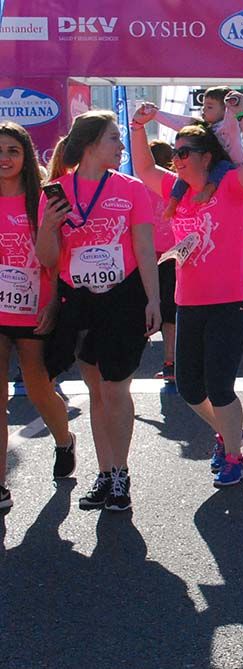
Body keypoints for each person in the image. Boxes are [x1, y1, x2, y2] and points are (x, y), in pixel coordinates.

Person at [130, 92, 243, 487]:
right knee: (190, 388)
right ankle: (229, 432)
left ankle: (234, 456)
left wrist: (241, 115)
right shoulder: (178, 191)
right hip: (189, 303)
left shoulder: (231, 188)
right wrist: (139, 127)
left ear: (207, 156)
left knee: (220, 386)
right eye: (175, 152)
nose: (177, 158)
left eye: (185, 151)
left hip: (232, 303)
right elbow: (143, 169)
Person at [38, 110, 161, 511]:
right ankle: (105, 473)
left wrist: (154, 300)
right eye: (114, 138)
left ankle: (121, 475)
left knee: (115, 388)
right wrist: (47, 229)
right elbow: (49, 259)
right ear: (91, 144)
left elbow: (145, 248)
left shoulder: (132, 190)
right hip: (79, 301)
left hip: (123, 299)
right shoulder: (54, 192)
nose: (120, 146)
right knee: (96, 392)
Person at [0, 122, 75, 511]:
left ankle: (64, 439)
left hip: (35, 306)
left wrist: (53, 302)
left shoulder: (44, 200)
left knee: (37, 385)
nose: (4, 158)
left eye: (12, 150)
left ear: (26, 155)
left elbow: (60, 259)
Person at [155, 86, 243, 219]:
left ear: (225, 110)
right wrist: (155, 114)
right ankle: (172, 204)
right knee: (183, 176)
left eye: (209, 107)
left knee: (222, 165)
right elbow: (178, 122)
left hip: (233, 168)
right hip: (210, 166)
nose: (204, 110)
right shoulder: (201, 126)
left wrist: (233, 102)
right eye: (203, 106)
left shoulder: (229, 126)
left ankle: (207, 191)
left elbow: (231, 116)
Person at [149, 140, 179, 382]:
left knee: (156, 306)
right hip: (174, 254)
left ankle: (170, 360)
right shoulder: (178, 185)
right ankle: (170, 361)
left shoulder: (139, 186)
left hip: (150, 255)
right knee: (171, 309)